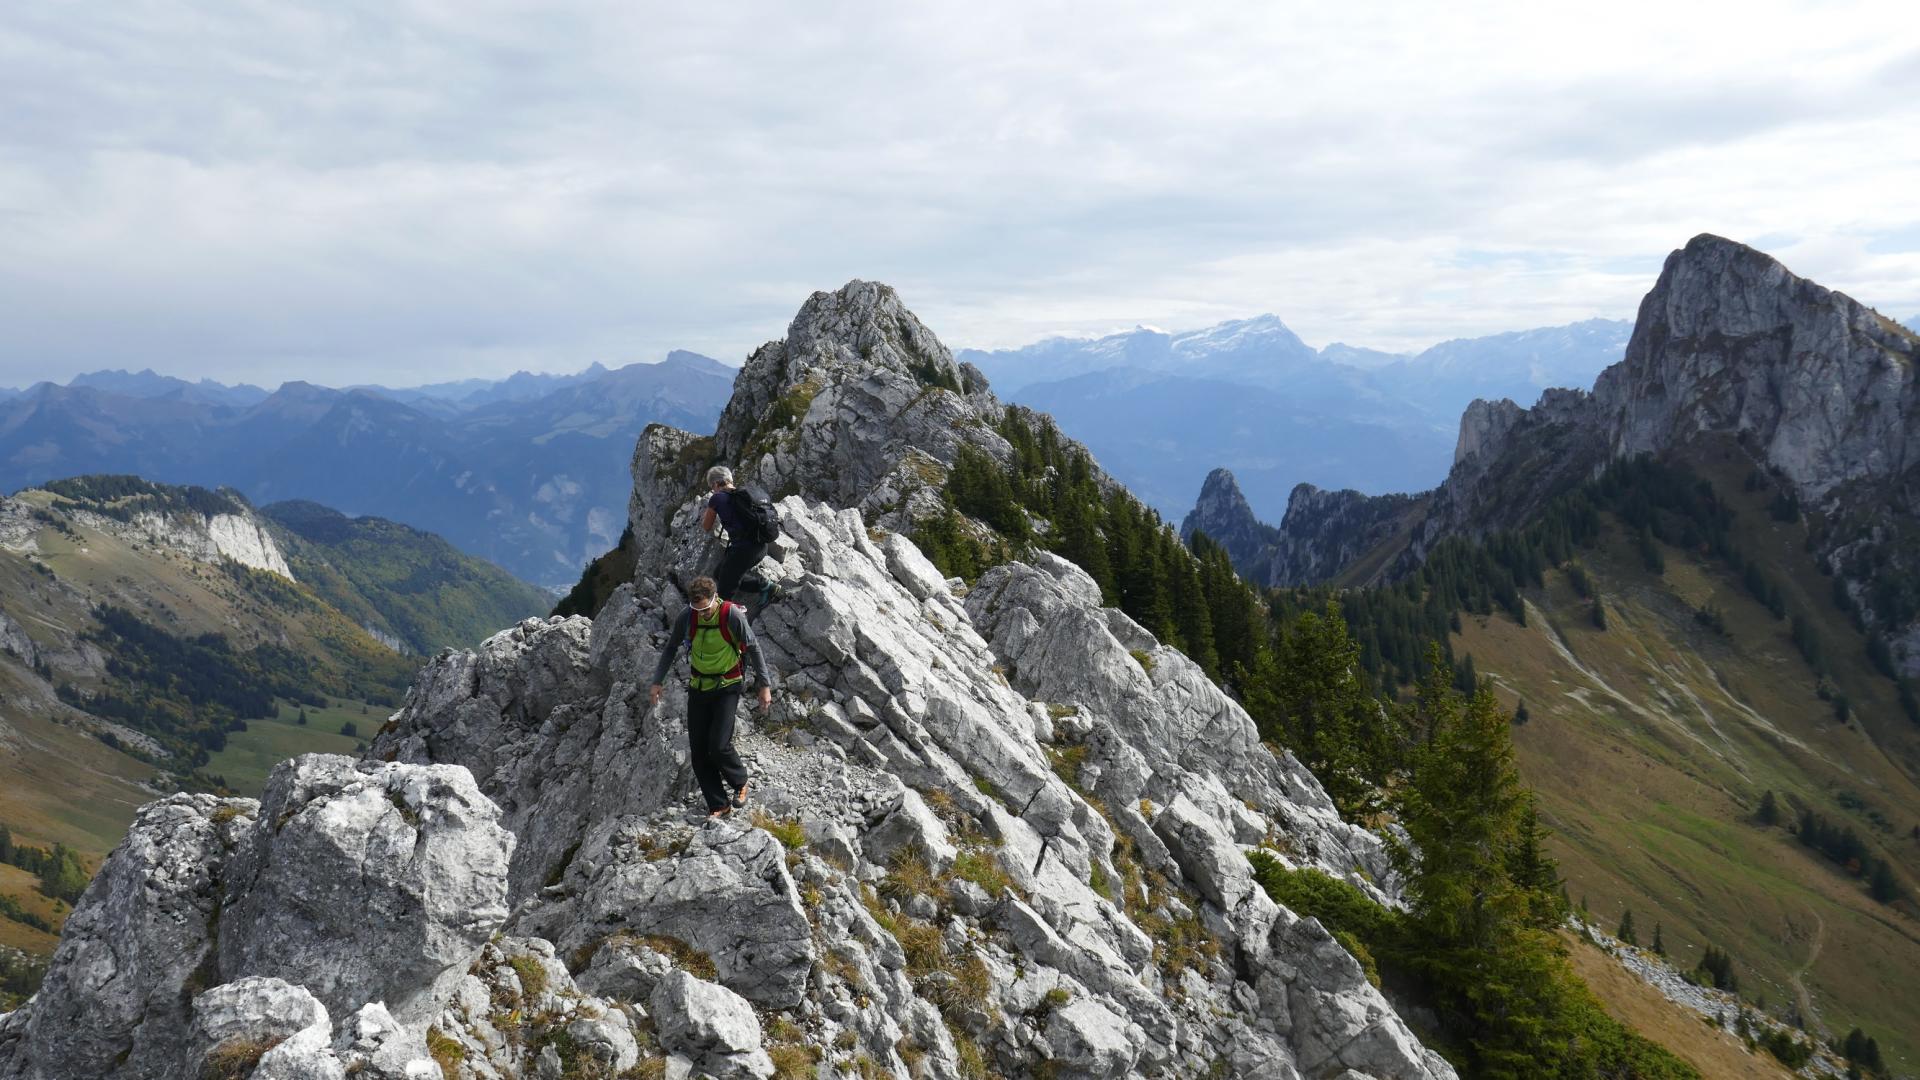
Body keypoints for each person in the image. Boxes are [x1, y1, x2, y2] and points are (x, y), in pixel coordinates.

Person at [649, 575, 774, 817]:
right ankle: (719, 804)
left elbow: (754, 647)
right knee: (698, 751)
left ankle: (740, 783)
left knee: (718, 745)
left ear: (715, 598)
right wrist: (657, 681)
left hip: (728, 685)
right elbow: (671, 648)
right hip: (699, 686)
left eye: (706, 608)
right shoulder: (688, 616)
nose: (702, 613)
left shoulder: (731, 615)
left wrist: (764, 685)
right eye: (697, 609)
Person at [702, 465, 782, 606]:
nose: (712, 490)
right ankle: (763, 586)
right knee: (719, 573)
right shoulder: (746, 495)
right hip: (761, 546)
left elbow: (706, 526)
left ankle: (726, 622)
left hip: (743, 551)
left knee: (724, 595)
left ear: (715, 484)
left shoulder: (717, 498)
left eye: (711, 487)